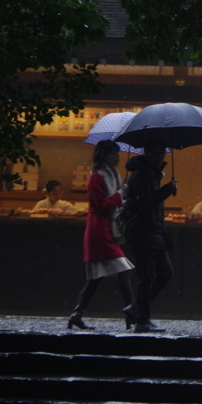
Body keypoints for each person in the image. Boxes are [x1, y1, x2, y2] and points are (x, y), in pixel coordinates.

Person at [66, 140, 135, 330]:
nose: (118, 157)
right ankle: (131, 314)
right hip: (99, 231)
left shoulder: (112, 175)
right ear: (104, 155)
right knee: (123, 270)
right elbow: (103, 204)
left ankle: (77, 314)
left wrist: (123, 193)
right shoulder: (97, 177)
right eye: (114, 153)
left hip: (105, 230)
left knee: (96, 278)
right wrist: (121, 193)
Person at [124, 141, 178, 333]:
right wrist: (167, 190)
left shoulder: (151, 173)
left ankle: (137, 309)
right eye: (157, 153)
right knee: (146, 276)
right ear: (147, 152)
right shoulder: (142, 175)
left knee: (163, 272)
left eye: (162, 152)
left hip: (152, 231)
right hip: (143, 231)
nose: (161, 156)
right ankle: (141, 320)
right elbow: (145, 202)